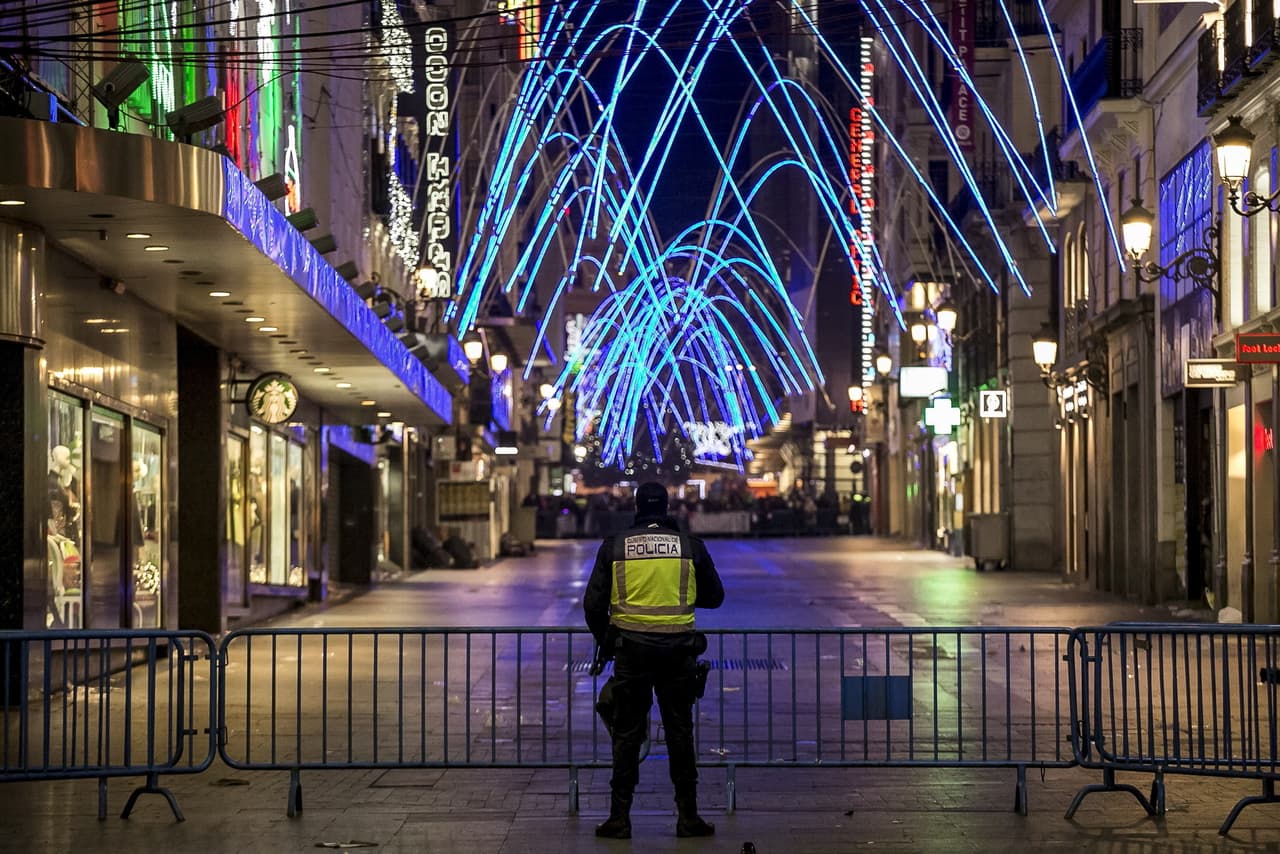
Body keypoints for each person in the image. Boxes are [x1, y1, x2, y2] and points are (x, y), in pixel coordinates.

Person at [582, 481, 725, 839]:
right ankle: (688, 816)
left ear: (636, 507)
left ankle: (620, 817)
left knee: (627, 734)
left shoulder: (615, 546)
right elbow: (715, 596)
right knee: (679, 733)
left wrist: (606, 639)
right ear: (666, 507)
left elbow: (593, 605)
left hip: (631, 651)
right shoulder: (690, 547)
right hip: (679, 651)